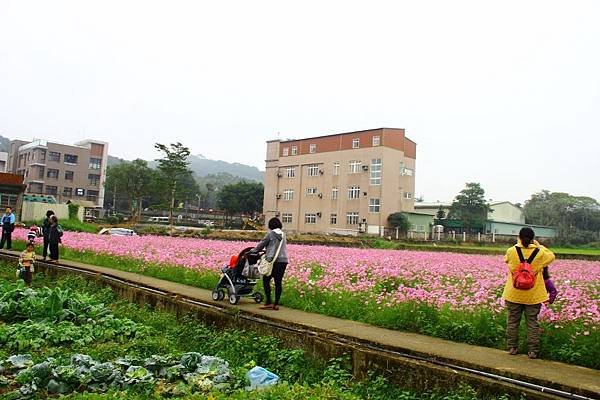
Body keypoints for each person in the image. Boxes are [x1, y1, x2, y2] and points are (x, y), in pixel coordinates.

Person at [502, 227, 555, 359]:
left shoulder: (511, 251)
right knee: (532, 322)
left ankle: (512, 347)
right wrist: (539, 245)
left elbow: (506, 259)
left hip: (513, 294)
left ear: (519, 237)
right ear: (533, 238)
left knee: (512, 321)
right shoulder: (540, 253)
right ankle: (533, 351)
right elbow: (552, 256)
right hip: (533, 295)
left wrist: (518, 244)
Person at [252, 217, 288, 310]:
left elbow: (261, 245)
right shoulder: (284, 235)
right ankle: (276, 304)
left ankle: (268, 302)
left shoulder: (270, 234)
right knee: (278, 282)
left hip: (272, 261)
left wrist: (254, 251)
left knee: (266, 280)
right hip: (283, 261)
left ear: (270, 225)